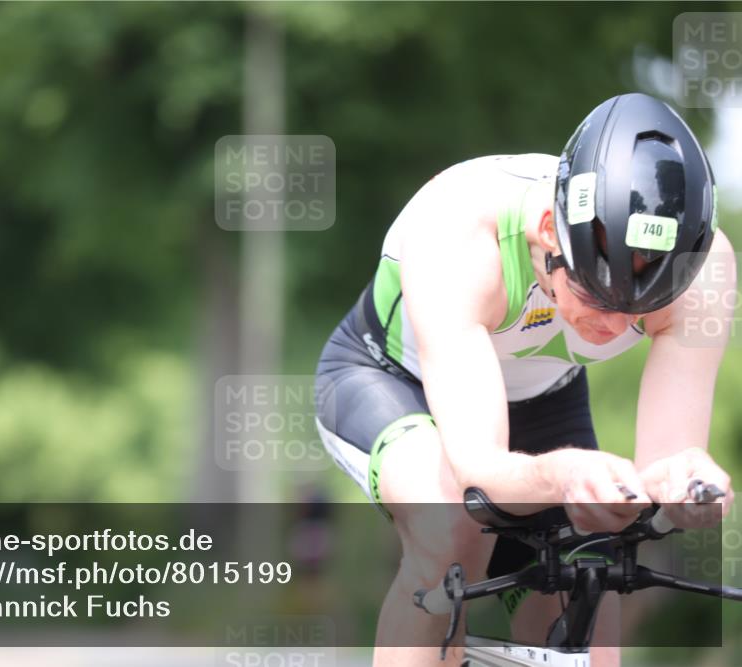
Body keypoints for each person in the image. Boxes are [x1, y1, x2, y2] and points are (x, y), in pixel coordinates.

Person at [313, 93, 736, 666]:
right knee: (451, 530)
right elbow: (480, 468)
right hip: (389, 379)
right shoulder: (460, 227)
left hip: (543, 399)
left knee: (593, 582)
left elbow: (665, 463)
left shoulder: (704, 272)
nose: (613, 326)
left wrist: (684, 486)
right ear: (547, 232)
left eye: (642, 308)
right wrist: (563, 474)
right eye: (596, 292)